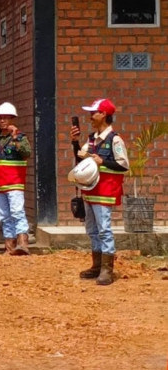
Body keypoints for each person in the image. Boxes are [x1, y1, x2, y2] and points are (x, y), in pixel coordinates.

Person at [71, 98, 129, 285]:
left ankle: (107, 270)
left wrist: (103, 162)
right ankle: (97, 266)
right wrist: (75, 143)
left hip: (105, 192)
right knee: (92, 229)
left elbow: (123, 165)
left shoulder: (115, 139)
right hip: (90, 191)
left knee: (104, 229)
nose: (90, 117)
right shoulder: (91, 139)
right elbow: (81, 160)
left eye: (93, 113)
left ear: (104, 114)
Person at [0, 102, 32, 255]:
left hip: (14, 182)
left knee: (17, 212)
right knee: (4, 216)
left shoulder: (21, 137)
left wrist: (15, 137)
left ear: (13, 119)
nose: (3, 120)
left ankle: (23, 244)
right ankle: (9, 247)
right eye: (0, 118)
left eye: (6, 118)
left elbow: (26, 153)